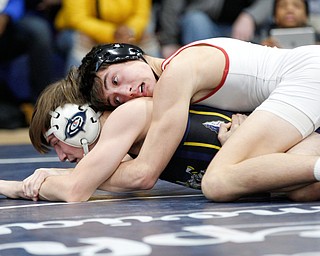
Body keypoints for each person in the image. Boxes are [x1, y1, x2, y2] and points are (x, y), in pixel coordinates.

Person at [77, 39, 320, 202]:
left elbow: (144, 172)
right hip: (306, 75)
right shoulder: (181, 64)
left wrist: (79, 177)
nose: (127, 93)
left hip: (305, 77)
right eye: (116, 100)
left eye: (116, 81)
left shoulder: (175, 76)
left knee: (218, 181)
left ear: (128, 55)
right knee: (299, 186)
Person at [0, 69, 244, 201]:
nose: (62, 157)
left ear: (75, 122)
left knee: (219, 185)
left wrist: (16, 188)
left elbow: (76, 190)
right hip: (250, 169)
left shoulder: (128, 114)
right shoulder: (124, 140)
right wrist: (62, 174)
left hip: (264, 151)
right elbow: (113, 173)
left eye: (57, 143)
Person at [54, 0, 153, 74]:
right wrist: (112, 33)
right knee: (82, 40)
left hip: (124, 31)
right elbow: (77, 18)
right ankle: (74, 94)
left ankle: (157, 85)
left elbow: (141, 15)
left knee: (148, 39)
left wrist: (130, 31)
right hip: (81, 30)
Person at [157, 0, 273, 58]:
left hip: (248, 29)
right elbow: (172, 5)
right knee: (195, 20)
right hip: (204, 25)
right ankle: (200, 74)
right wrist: (169, 41)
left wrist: (251, 16)